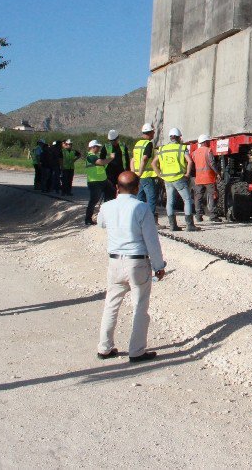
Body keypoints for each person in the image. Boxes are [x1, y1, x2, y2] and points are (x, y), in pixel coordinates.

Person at [96, 171, 166, 363]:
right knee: (140, 306)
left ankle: (104, 347)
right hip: (137, 262)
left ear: (117, 188)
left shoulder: (107, 206)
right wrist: (159, 265)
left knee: (111, 304)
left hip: (115, 261)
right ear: (137, 188)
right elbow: (152, 240)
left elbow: (100, 224)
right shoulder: (142, 208)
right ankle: (136, 351)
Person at [153, 127, 196, 231]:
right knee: (187, 200)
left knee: (170, 202)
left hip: (167, 179)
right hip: (179, 178)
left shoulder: (162, 149)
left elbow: (153, 163)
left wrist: (159, 175)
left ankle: (173, 226)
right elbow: (189, 161)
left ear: (170, 137)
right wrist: (187, 173)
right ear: (179, 137)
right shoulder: (181, 148)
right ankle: (189, 225)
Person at [189, 134, 221, 223]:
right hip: (209, 178)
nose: (210, 143)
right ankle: (213, 215)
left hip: (199, 178)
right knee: (212, 196)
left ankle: (198, 216)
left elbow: (193, 164)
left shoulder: (194, 153)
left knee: (198, 197)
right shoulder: (208, 151)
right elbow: (212, 163)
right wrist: (217, 173)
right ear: (206, 142)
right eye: (209, 141)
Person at [132, 123, 159, 218]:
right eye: (153, 132)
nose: (154, 134)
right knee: (151, 197)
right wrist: (140, 173)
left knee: (140, 198)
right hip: (146, 175)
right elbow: (144, 159)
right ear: (150, 133)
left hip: (138, 176)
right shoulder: (148, 144)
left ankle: (139, 218)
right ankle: (150, 220)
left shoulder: (137, 144)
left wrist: (135, 174)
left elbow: (133, 160)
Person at [84, 140, 112, 225]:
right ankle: (88, 219)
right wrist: (111, 158)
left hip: (103, 180)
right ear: (93, 147)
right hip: (94, 182)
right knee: (94, 200)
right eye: (98, 147)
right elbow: (100, 162)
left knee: (111, 193)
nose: (99, 148)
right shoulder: (90, 156)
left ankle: (106, 214)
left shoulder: (95, 156)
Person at [104, 130, 131, 201]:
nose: (112, 142)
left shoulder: (123, 146)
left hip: (121, 173)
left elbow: (127, 159)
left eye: (114, 140)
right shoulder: (106, 147)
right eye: (111, 140)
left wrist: (128, 171)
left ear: (118, 138)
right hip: (109, 174)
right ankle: (108, 207)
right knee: (109, 193)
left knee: (122, 192)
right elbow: (102, 160)